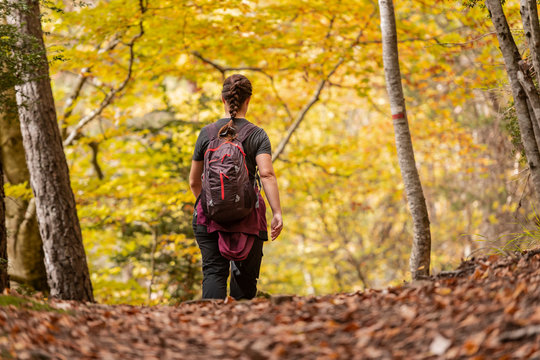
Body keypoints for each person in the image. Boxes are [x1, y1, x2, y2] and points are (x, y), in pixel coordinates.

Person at [189, 74, 283, 300]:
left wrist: (212, 204)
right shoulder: (257, 134)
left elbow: (194, 180)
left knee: (213, 273)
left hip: (209, 218)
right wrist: (277, 212)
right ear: (248, 100)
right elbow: (267, 174)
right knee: (245, 278)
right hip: (249, 218)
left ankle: (211, 329)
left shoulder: (207, 133)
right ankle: (242, 331)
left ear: (223, 99)